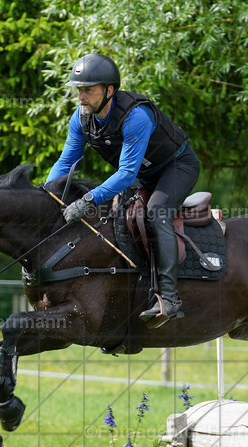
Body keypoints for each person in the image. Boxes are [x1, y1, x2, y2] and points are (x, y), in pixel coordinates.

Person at [46, 53, 200, 327]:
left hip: (175, 167)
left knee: (155, 214)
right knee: (113, 220)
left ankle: (169, 298)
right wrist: (49, 194)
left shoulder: (136, 117)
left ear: (110, 90)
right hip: (143, 174)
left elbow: (127, 173)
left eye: (88, 90)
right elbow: (67, 161)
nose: (81, 97)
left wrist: (89, 198)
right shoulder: (81, 118)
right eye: (79, 90)